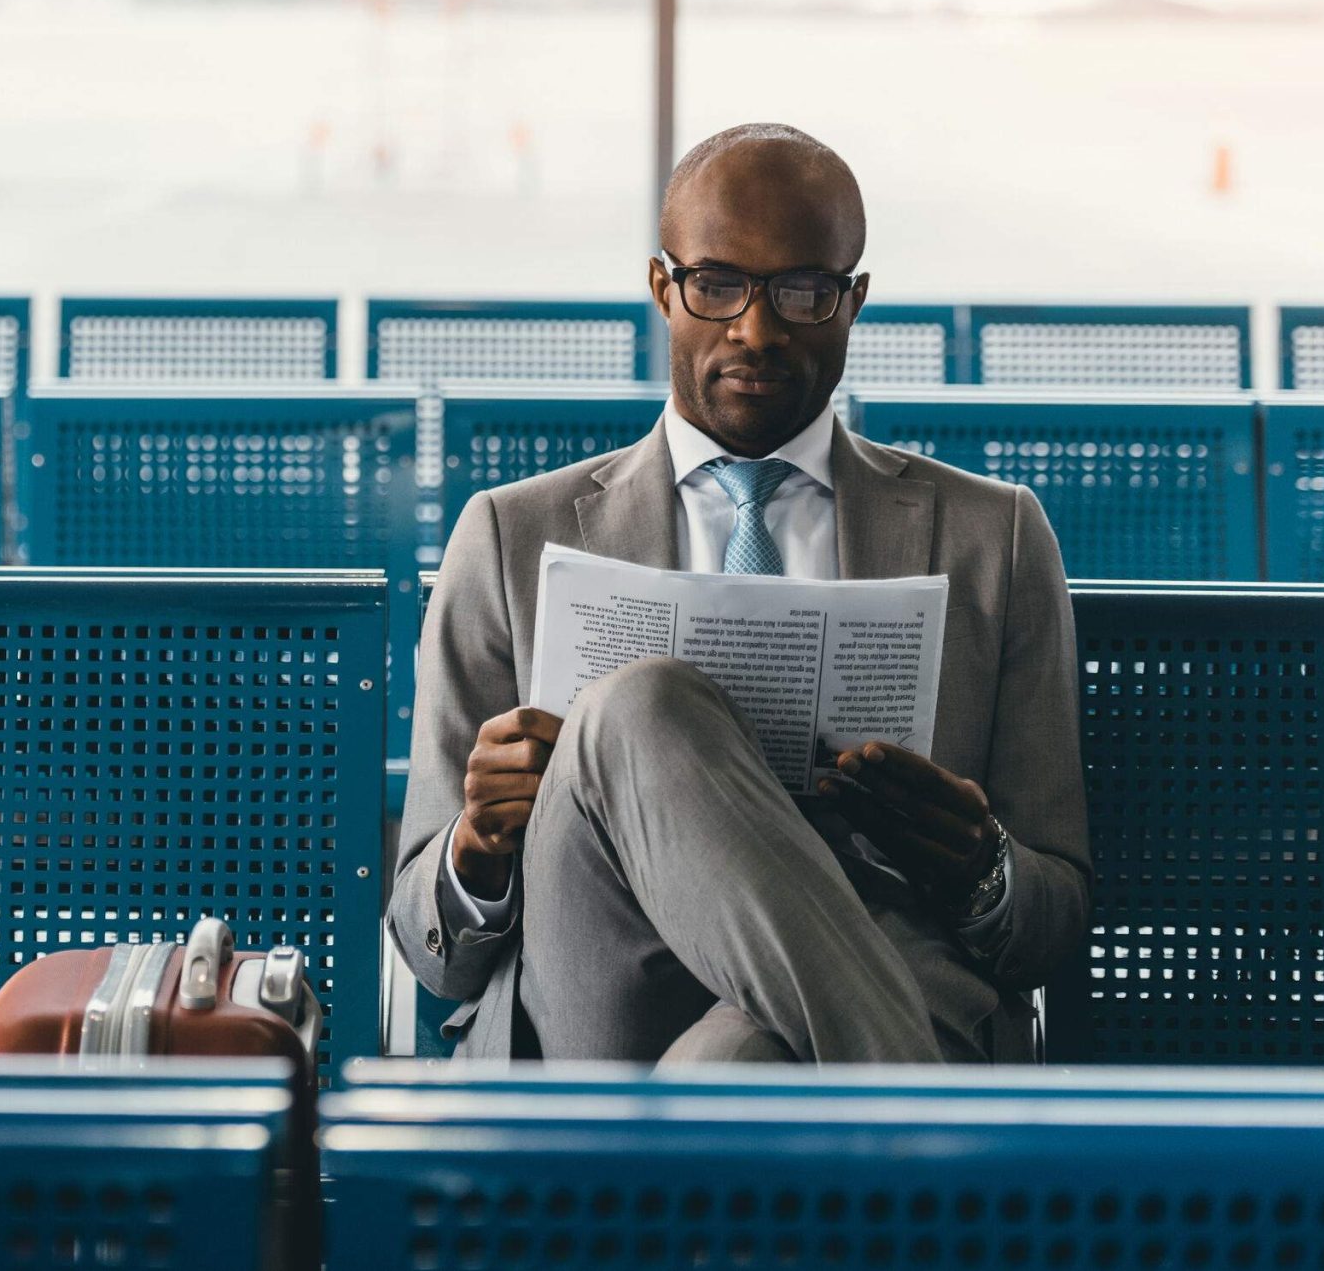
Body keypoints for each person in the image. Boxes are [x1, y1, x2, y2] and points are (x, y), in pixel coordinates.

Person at [390, 122, 1090, 1064]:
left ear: (854, 301)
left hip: (837, 1004)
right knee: (635, 708)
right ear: (661, 289)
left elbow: (1054, 919)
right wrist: (478, 848)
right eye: (716, 284)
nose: (755, 329)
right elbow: (430, 947)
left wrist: (981, 867)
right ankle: (912, 1104)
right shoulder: (513, 535)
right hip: (601, 981)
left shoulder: (993, 539)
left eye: (802, 291)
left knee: (725, 1069)